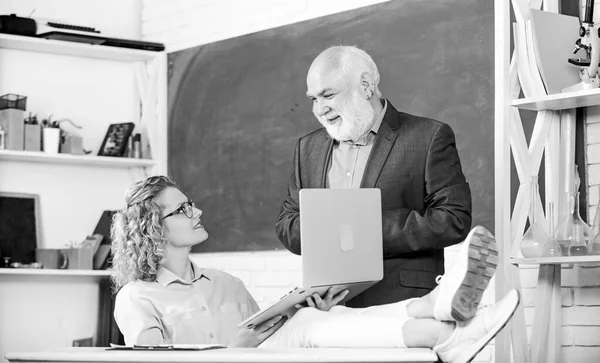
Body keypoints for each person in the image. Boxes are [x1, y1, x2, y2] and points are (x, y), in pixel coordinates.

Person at [111, 176, 518, 363]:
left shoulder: (225, 283)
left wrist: (303, 309)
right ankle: (442, 321)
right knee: (304, 324)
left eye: (191, 202)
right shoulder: (137, 297)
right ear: (151, 225)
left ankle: (439, 319)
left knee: (311, 317)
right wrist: (237, 347)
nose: (196, 210)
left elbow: (267, 333)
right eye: (182, 208)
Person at [276, 45, 473, 307]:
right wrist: (327, 231)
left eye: (328, 95)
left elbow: (453, 219)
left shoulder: (428, 136)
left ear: (366, 86)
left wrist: (362, 229)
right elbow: (287, 223)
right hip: (327, 307)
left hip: (403, 304)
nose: (320, 109)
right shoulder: (307, 147)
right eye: (314, 99)